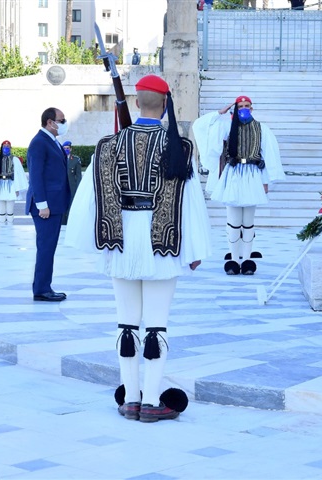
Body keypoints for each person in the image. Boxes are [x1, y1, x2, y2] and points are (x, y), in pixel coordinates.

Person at [65, 74, 211, 422]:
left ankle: (130, 399)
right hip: (164, 243)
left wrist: (94, 240)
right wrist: (195, 250)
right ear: (166, 104)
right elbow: (190, 201)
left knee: (126, 324)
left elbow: (91, 196)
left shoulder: (108, 145)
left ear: (135, 102)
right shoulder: (178, 147)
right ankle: (151, 401)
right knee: (157, 326)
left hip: (120, 241)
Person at [192, 95, 285, 275]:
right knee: (234, 221)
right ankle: (234, 260)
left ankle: (247, 260)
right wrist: (220, 112)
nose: (243, 109)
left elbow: (268, 154)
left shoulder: (261, 129)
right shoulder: (226, 127)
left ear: (252, 108)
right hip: (233, 175)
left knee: (248, 222)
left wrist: (266, 181)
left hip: (252, 175)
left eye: (246, 106)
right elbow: (200, 126)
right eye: (240, 106)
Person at [26, 108, 72, 302]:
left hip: (54, 204)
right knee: (46, 247)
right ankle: (42, 289)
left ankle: (44, 286)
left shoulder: (52, 141)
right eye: (62, 120)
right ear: (50, 122)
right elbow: (35, 176)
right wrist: (42, 205)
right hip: (46, 207)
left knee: (48, 247)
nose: (64, 123)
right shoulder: (39, 142)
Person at [0, 140, 28, 226]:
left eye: (8, 147)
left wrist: (17, 189)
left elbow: (18, 175)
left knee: (10, 209)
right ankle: (2, 225)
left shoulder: (15, 160)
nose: (6, 148)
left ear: (10, 148)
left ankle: (10, 225)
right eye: (4, 147)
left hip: (11, 186)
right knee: (1, 210)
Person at [62, 140, 82, 225]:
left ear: (70, 149)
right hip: (62, 187)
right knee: (62, 205)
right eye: (64, 148)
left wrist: (78, 188)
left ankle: (70, 223)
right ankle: (63, 222)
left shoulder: (75, 160)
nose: (66, 150)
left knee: (71, 205)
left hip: (72, 187)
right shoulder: (59, 159)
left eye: (67, 148)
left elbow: (78, 176)